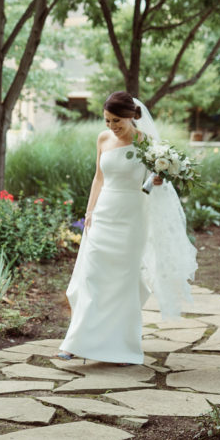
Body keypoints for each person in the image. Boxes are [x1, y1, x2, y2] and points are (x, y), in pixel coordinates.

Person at [58, 91, 196, 365]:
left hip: (133, 216)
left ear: (132, 116)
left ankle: (120, 346)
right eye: (107, 120)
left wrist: (159, 180)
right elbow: (98, 177)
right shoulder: (103, 138)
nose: (111, 126)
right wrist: (89, 211)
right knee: (92, 278)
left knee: (123, 283)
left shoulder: (147, 144)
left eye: (117, 120)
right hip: (104, 213)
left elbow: (153, 182)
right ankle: (75, 342)